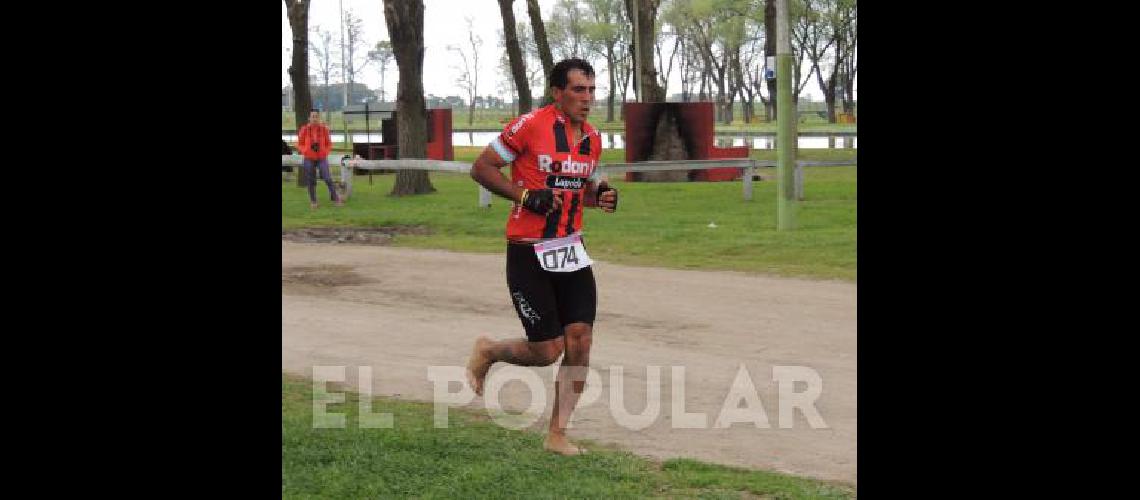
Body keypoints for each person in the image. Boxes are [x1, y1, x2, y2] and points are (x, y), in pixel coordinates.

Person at [466, 58, 619, 456]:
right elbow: (481, 168)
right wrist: (523, 195)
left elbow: (576, 187)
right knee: (548, 349)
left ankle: (557, 434)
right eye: (578, 90)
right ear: (557, 92)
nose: (587, 99)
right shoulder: (530, 125)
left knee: (581, 341)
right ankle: (489, 350)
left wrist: (597, 195)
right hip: (527, 251)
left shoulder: (592, 138)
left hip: (571, 249)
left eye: (591, 91)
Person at [297, 109, 343, 208]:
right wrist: (305, 151)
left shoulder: (324, 129)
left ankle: (336, 198)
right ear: (309, 118)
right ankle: (313, 201)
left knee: (327, 178)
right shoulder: (304, 129)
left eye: (316, 116)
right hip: (309, 158)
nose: (314, 119)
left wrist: (325, 152)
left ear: (319, 117)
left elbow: (329, 144)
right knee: (310, 180)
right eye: (312, 116)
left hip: (322, 158)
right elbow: (300, 144)